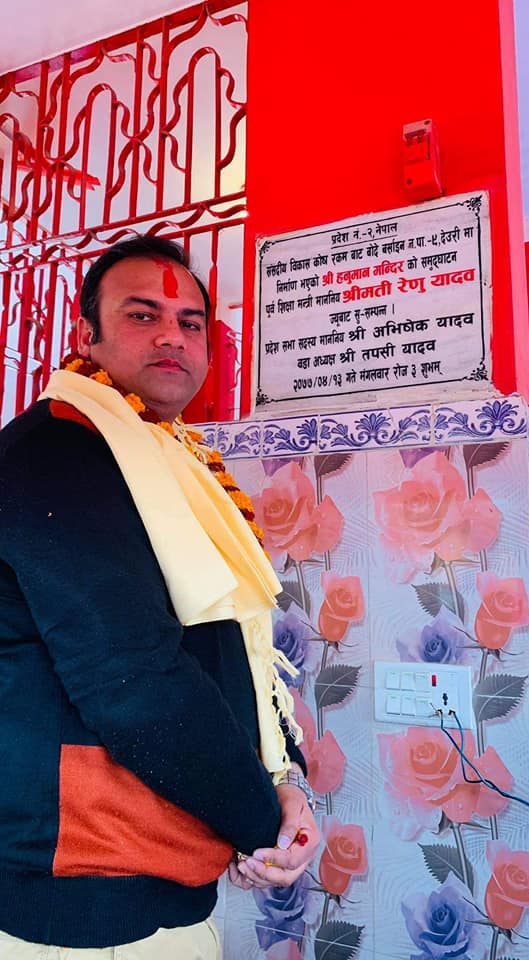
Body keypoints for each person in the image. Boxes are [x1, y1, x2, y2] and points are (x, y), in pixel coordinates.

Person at [0, 235, 319, 959]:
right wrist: (262, 821)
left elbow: (231, 648)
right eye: (142, 315)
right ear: (88, 334)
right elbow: (132, 677)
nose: (172, 336)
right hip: (77, 897)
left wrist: (284, 779)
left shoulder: (176, 460)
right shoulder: (57, 453)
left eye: (190, 322)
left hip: (166, 873)